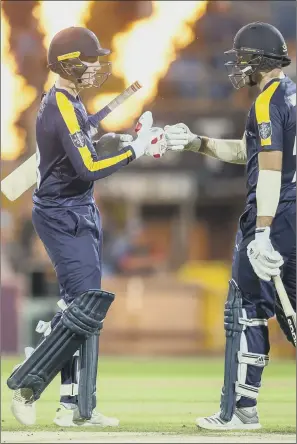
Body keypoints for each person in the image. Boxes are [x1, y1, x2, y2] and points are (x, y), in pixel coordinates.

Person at [7, 26, 166, 428]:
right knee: (85, 309)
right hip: (64, 213)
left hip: (74, 209)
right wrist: (135, 149)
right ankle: (30, 381)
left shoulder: (70, 100)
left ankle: (74, 406)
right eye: (90, 59)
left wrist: (119, 137)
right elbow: (88, 167)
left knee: (81, 309)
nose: (96, 66)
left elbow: (84, 139)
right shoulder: (60, 103)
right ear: (69, 63)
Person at [165, 22, 296, 430]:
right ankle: (242, 407)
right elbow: (252, 151)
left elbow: (270, 167)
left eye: (242, 58)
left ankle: (241, 409)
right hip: (292, 207)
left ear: (258, 59)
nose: (238, 66)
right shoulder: (290, 94)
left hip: (277, 211)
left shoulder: (266, 101)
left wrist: (262, 231)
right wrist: (197, 143)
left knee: (248, 308)